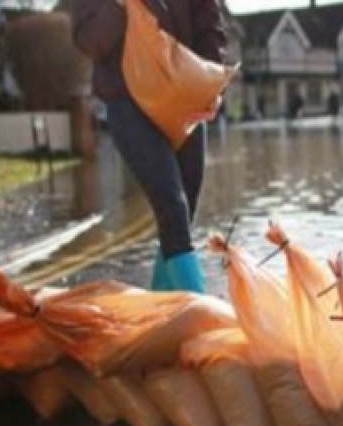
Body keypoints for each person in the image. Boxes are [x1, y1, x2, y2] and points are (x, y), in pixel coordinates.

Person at [71, 0, 228, 293]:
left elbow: (208, 24)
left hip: (184, 92)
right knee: (172, 203)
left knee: (183, 213)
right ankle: (201, 309)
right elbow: (89, 40)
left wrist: (211, 82)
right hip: (126, 99)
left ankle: (161, 305)